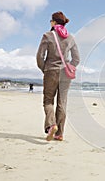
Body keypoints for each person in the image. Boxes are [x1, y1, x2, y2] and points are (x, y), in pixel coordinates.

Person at [36, 11, 80, 141]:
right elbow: (76, 59)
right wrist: (69, 66)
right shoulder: (71, 38)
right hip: (65, 73)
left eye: (51, 20)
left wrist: (45, 69)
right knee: (62, 102)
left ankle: (51, 125)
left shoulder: (47, 35)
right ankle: (59, 133)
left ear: (54, 22)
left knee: (48, 101)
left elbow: (39, 56)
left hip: (51, 71)